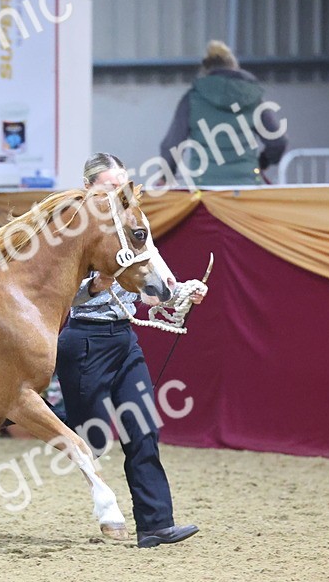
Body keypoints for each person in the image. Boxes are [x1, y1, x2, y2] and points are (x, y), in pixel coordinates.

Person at [54, 153, 206, 548]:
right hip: (84, 341)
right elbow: (58, 298)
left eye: (122, 184)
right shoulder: (71, 232)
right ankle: (21, 410)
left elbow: (158, 282)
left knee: (143, 430)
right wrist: (94, 287)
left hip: (123, 341)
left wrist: (183, 294)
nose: (118, 192)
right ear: (89, 188)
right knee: (94, 436)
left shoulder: (135, 226)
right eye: (109, 185)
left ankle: (156, 524)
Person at [159, 40, 287, 186]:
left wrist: (166, 175)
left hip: (204, 187)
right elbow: (278, 142)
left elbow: (171, 145)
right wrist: (263, 162)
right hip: (247, 185)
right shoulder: (254, 98)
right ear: (234, 65)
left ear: (206, 68)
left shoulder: (192, 99)